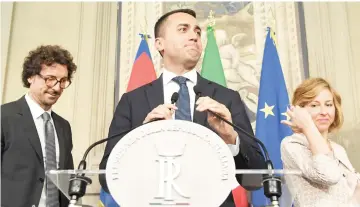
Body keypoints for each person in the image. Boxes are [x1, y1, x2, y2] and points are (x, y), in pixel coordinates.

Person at [99, 9, 266, 207]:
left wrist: (231, 138)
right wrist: (141, 137)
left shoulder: (226, 98)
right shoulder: (133, 101)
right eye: (183, 29)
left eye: (197, 32)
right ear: (160, 44)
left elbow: (255, 179)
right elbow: (107, 177)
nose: (194, 36)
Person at [1, 45, 77, 207]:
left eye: (63, 81)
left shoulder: (63, 127)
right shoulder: (4, 117)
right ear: (30, 77)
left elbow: (66, 179)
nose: (57, 88)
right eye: (50, 79)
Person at [280, 78, 360, 207]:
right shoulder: (292, 144)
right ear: (300, 110)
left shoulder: (338, 149)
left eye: (328, 104)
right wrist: (307, 127)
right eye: (314, 105)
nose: (324, 112)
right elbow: (329, 175)